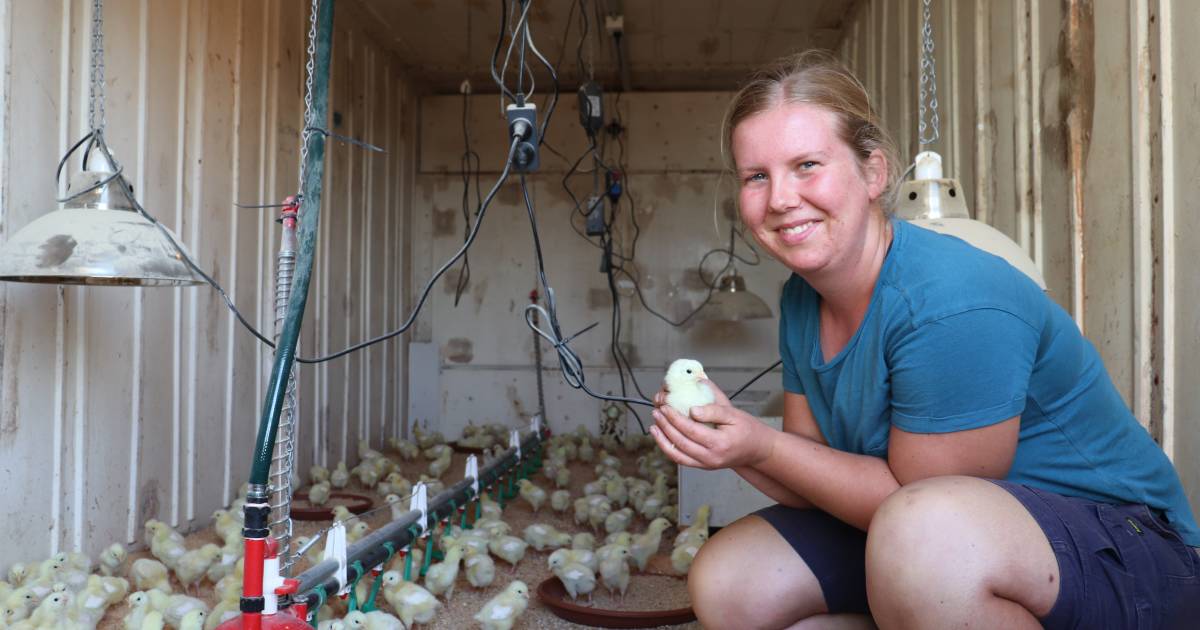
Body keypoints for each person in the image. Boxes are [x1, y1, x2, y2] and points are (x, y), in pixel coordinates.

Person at [649, 50, 1200, 629]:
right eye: (756, 176)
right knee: (730, 583)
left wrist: (759, 445)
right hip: (946, 539)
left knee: (923, 541)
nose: (781, 198)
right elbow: (813, 477)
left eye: (807, 164)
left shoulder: (948, 299)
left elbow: (914, 502)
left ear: (874, 173)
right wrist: (730, 441)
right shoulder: (801, 299)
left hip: (1131, 552)